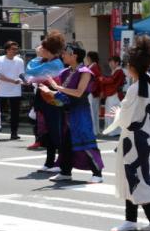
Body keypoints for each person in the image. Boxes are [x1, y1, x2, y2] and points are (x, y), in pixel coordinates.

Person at [107, 35, 150, 231]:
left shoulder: (135, 88)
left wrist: (118, 115)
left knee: (135, 177)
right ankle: (131, 219)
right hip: (147, 138)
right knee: (139, 176)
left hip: (134, 139)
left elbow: (128, 118)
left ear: (132, 66)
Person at [39, 43, 104, 184]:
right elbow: (64, 96)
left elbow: (79, 92)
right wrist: (50, 92)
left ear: (74, 55)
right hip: (67, 112)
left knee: (85, 141)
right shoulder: (65, 73)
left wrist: (58, 88)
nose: (63, 55)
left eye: (65, 53)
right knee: (66, 143)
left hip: (80, 112)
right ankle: (65, 172)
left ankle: (97, 173)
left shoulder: (85, 72)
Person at [27, 32, 65, 167]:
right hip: (44, 98)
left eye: (42, 47)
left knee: (55, 130)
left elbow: (31, 70)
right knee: (46, 130)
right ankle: (49, 161)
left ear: (49, 51)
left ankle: (61, 162)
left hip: (52, 99)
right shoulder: (47, 61)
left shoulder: (55, 63)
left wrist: (37, 56)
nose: (40, 49)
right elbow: (32, 74)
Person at [0, 41, 25, 141]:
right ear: (7, 50)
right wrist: (12, 81)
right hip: (1, 91)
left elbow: (21, 74)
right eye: (13, 49)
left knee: (15, 113)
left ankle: (14, 133)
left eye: (16, 49)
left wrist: (25, 81)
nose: (15, 51)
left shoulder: (19, 60)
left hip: (15, 90)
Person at [98, 54, 126, 138]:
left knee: (112, 112)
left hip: (115, 94)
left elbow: (112, 81)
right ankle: (112, 130)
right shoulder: (116, 71)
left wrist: (102, 79)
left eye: (112, 62)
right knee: (111, 112)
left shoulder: (119, 71)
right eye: (109, 62)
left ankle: (113, 131)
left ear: (117, 63)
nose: (110, 64)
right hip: (114, 94)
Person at [85, 51, 103, 134]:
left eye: (87, 57)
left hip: (92, 91)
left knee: (92, 111)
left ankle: (94, 130)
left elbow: (98, 80)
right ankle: (95, 130)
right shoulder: (92, 66)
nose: (86, 59)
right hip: (93, 91)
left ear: (90, 58)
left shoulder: (94, 67)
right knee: (94, 111)